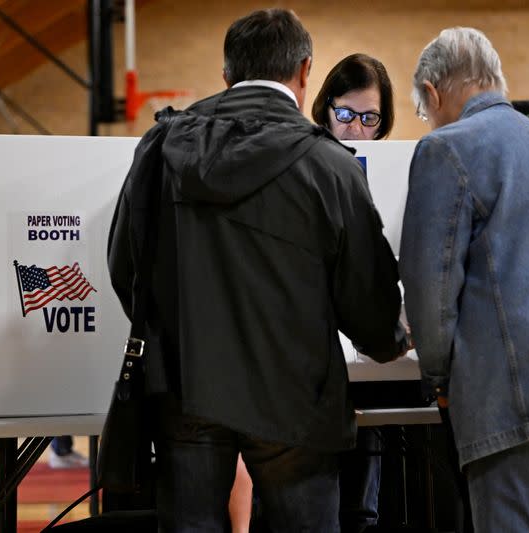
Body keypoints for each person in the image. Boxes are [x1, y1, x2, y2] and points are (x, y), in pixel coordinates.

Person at [108, 8, 409, 531]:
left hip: (186, 390)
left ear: (227, 74)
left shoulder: (162, 147)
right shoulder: (332, 167)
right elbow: (368, 297)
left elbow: (124, 266)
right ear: (305, 70)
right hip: (297, 400)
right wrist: (391, 341)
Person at [400, 27, 529, 532]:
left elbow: (431, 288)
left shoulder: (446, 150)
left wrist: (438, 376)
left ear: (433, 91)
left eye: (424, 111)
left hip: (506, 398)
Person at [311, 53, 394, 533]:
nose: (356, 130)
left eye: (369, 119)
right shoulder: (304, 162)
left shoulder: (389, 169)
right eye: (345, 115)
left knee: (362, 505)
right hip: (313, 355)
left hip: (365, 353)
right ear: (326, 108)